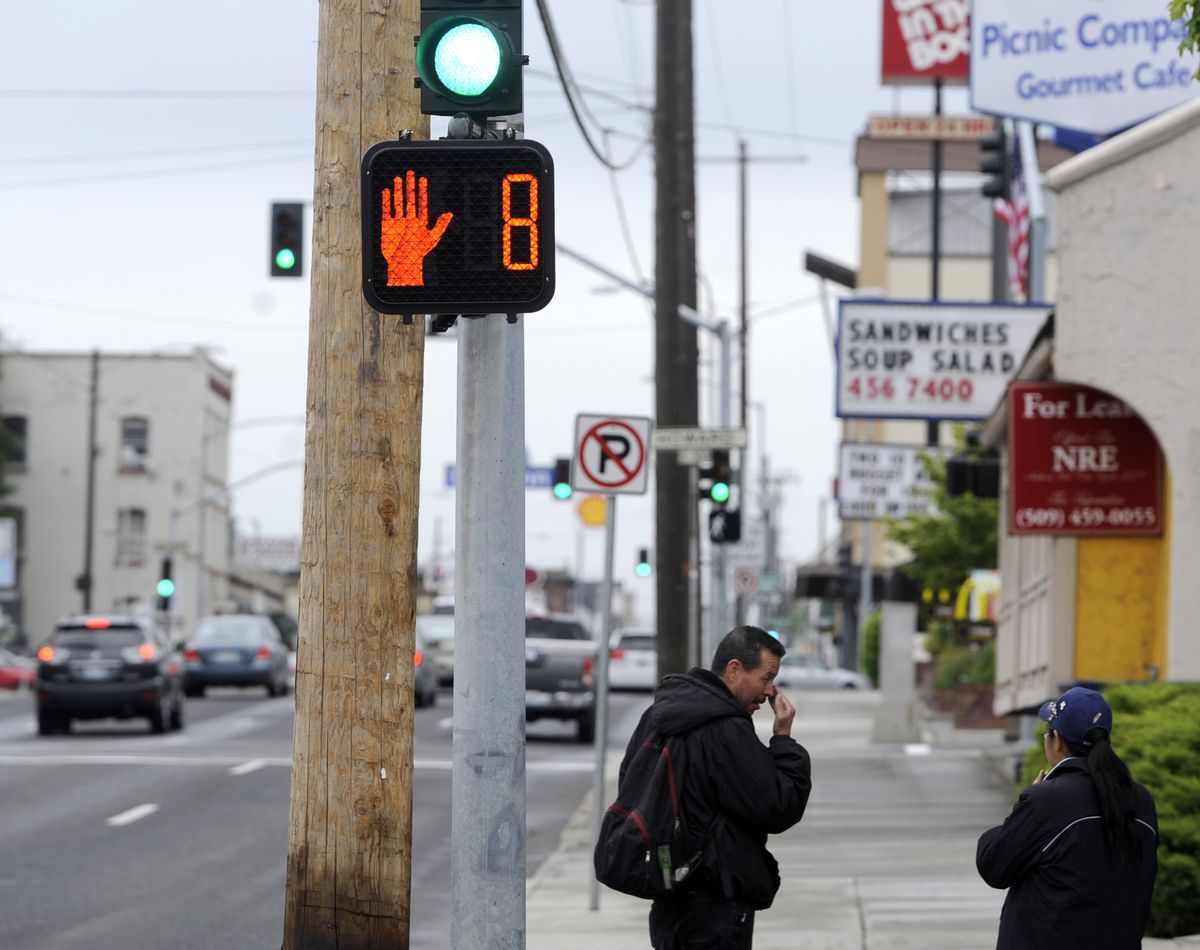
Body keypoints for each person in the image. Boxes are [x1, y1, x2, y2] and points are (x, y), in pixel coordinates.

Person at [619, 625, 812, 950]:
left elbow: (630, 783)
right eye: (766, 678)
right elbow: (779, 806)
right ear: (734, 669)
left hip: (670, 893)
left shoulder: (659, 715)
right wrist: (783, 739)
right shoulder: (725, 729)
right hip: (715, 902)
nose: (769, 692)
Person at [976, 686, 1158, 949]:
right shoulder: (1141, 800)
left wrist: (1023, 806)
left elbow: (993, 864)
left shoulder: (1047, 801)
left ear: (1056, 739)